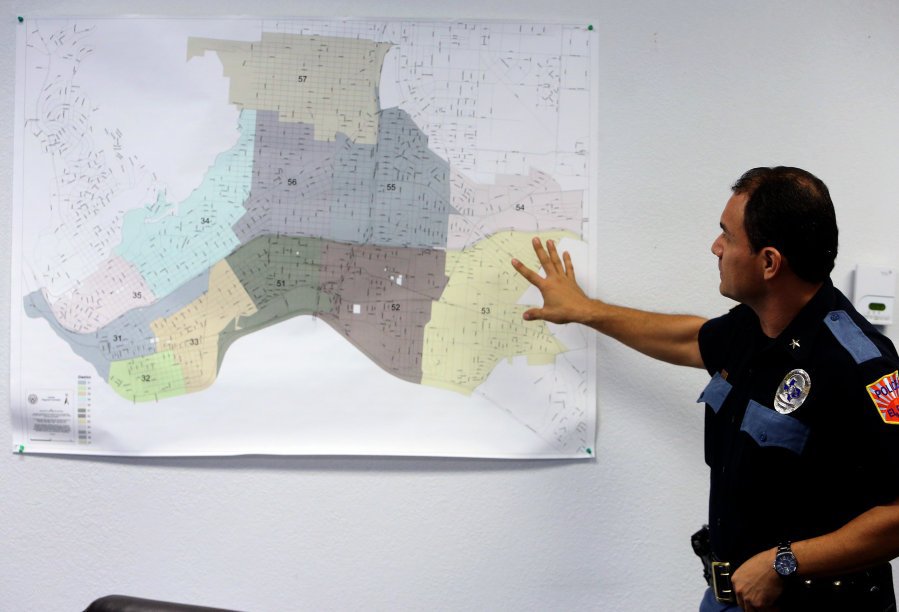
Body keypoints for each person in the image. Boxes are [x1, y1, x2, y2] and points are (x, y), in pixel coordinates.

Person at [511, 167, 899, 611]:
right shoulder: (753, 326)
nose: (715, 248)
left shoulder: (860, 365)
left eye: (727, 237)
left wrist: (783, 563)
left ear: (769, 262)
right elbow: (686, 338)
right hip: (731, 596)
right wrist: (586, 311)